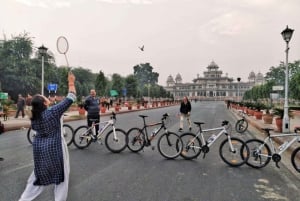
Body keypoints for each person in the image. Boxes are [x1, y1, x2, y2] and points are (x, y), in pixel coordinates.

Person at [18, 72, 76, 201]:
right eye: (44, 97)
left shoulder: (34, 117)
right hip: (56, 147)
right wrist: (71, 82)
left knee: (37, 176)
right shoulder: (53, 112)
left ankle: (24, 199)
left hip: (40, 150)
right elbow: (71, 97)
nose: (46, 97)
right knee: (62, 178)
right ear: (44, 103)